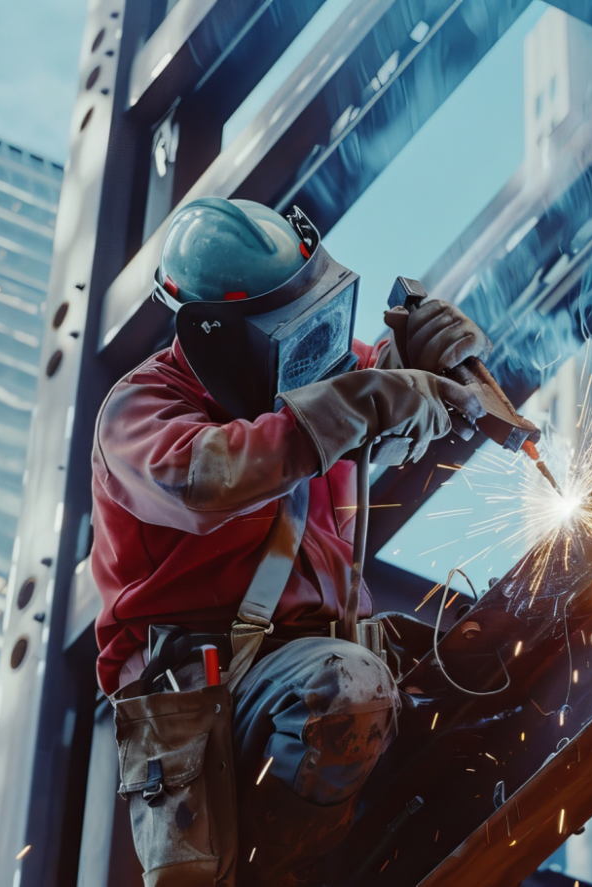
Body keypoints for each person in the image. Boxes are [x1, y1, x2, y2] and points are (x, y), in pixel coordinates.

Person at [90, 198, 490, 885]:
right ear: (217, 334)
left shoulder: (317, 375)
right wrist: (366, 399)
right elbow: (212, 476)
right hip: (228, 705)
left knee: (489, 660)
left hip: (325, 673)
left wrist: (421, 363)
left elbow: (387, 405)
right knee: (346, 691)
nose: (320, 351)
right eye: (292, 332)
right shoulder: (140, 411)